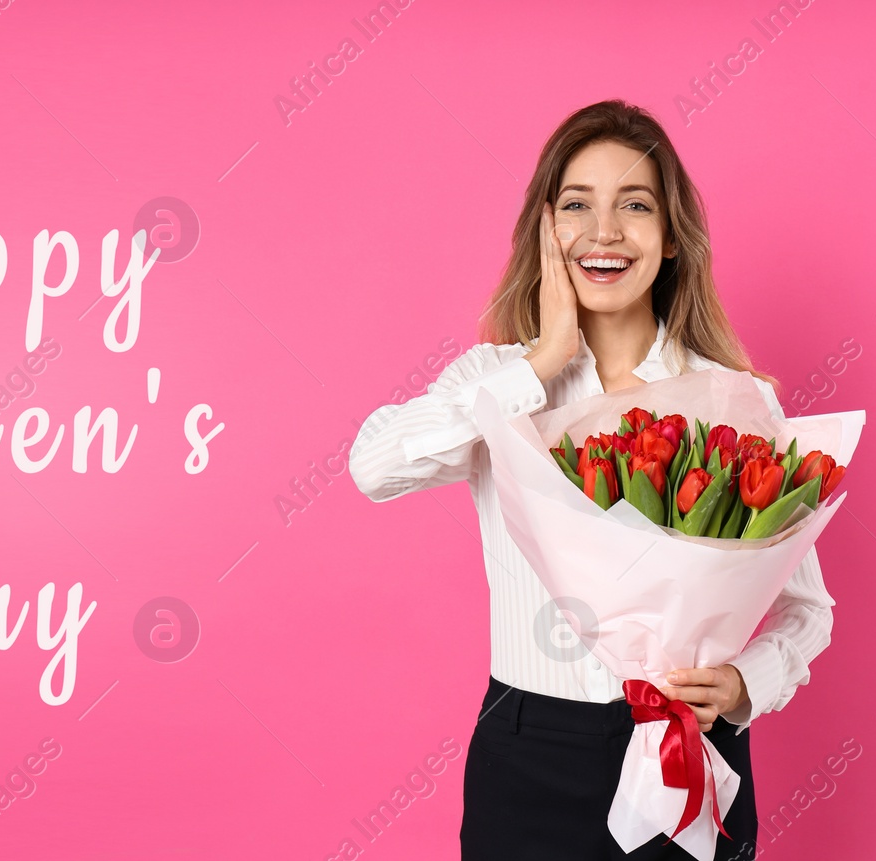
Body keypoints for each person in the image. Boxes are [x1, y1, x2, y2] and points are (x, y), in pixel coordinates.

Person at [346, 100, 835, 860]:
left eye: (634, 206)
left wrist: (746, 681)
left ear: (671, 238)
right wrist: (539, 364)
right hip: (527, 749)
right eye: (578, 206)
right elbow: (372, 466)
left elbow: (808, 607)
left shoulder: (736, 399)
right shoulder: (496, 382)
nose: (604, 232)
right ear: (547, 229)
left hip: (686, 745)